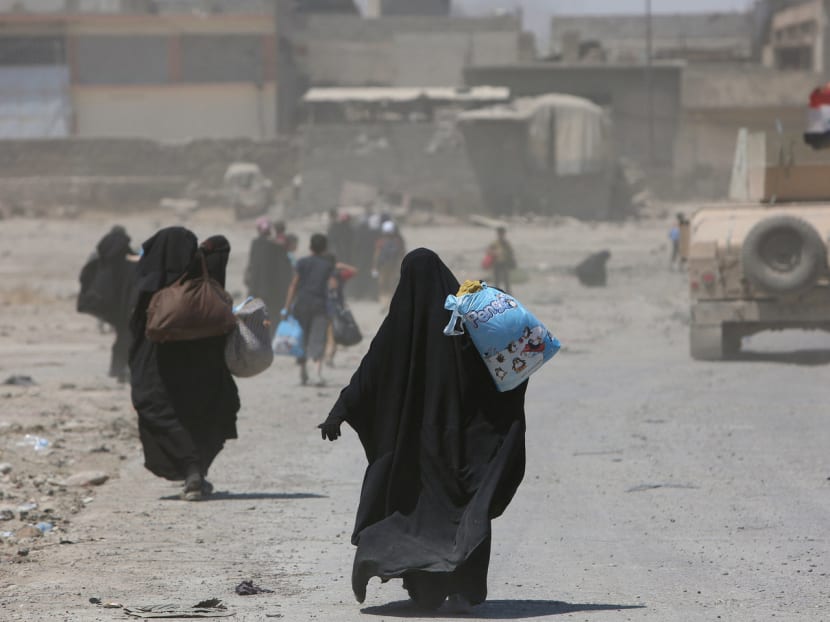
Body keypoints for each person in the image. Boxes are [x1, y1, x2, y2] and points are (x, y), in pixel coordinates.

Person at [318, 248, 528, 611]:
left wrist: (339, 412)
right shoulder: (467, 320)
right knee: (463, 508)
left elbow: (370, 374)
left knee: (415, 510)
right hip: (463, 442)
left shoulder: (400, 325)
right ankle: (462, 588)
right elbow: (504, 367)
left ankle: (425, 587)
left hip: (415, 446)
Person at [129, 227, 240, 501]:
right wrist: (202, 251)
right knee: (208, 412)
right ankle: (197, 471)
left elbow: (136, 329)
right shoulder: (203, 279)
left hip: (160, 367)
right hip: (204, 368)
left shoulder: (150, 282)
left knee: (159, 410)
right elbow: (221, 245)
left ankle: (191, 469)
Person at [77, 225, 138, 383]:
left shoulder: (99, 258)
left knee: (121, 336)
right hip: (125, 306)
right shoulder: (130, 257)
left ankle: (116, 370)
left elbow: (85, 277)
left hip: (106, 305)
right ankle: (123, 371)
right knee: (127, 337)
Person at [282, 233, 335, 386]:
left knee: (302, 338)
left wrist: (286, 307)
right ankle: (317, 373)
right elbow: (332, 287)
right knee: (318, 338)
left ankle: (303, 370)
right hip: (319, 305)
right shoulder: (327, 266)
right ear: (325, 248)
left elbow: (293, 285)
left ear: (310, 246)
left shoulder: (302, 262)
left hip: (302, 304)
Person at [244, 217, 293, 333]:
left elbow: (251, 265)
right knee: (271, 316)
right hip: (272, 290)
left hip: (255, 287)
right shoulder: (276, 246)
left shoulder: (255, 244)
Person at [372, 220, 406, 311]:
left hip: (383, 266)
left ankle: (384, 304)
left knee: (382, 285)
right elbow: (402, 254)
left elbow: (377, 255)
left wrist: (374, 267)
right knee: (392, 284)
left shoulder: (381, 241)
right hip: (394, 266)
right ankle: (391, 303)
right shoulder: (398, 241)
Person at [486, 227, 516, 293]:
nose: (501, 235)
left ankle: (508, 294)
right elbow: (489, 252)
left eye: (502, 233)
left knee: (506, 281)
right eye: (500, 233)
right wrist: (494, 253)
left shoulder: (506, 243)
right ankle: (497, 294)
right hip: (496, 263)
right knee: (497, 281)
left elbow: (511, 253)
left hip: (504, 263)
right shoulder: (494, 243)